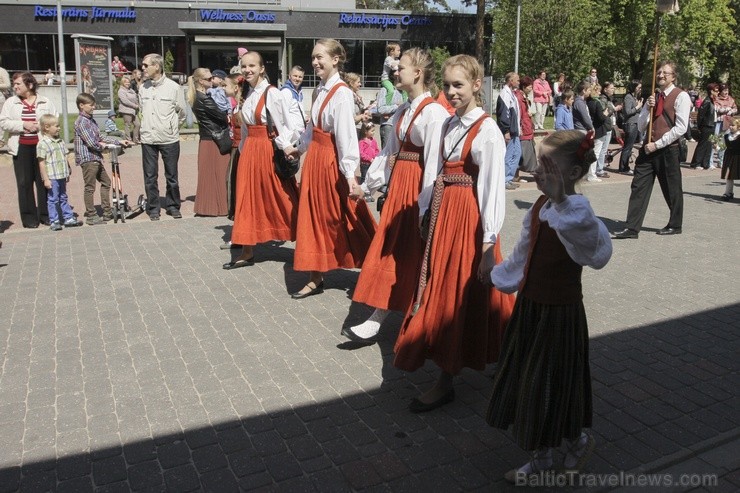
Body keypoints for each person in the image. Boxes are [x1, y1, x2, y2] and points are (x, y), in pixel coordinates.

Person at [485, 130, 613, 483]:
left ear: (571, 175)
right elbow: (523, 252)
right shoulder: (540, 207)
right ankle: (542, 455)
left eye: (547, 165)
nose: (538, 171)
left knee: (555, 384)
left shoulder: (577, 212)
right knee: (530, 383)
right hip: (532, 309)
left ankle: (576, 441)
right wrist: (497, 276)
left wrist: (560, 202)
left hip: (560, 313)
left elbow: (595, 251)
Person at [393, 54, 515, 413]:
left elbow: (492, 189)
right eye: (446, 85)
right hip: (445, 215)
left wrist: (489, 242)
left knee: (462, 293)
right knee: (450, 289)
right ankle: (492, 358)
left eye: (458, 85)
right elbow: (433, 170)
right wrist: (425, 209)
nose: (451, 91)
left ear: (477, 85)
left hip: (469, 222)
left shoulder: (487, 130)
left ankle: (449, 377)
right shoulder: (447, 124)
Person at [342, 46, 449, 343]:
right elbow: (389, 153)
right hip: (400, 188)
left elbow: (434, 166)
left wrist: (426, 208)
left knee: (412, 254)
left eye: (401, 67)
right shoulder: (404, 108)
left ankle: (412, 317)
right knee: (394, 251)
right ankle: (381, 314)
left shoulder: (434, 113)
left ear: (418, 73)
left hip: (417, 191)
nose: (395, 71)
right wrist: (367, 186)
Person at [284, 38, 377, 298]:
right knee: (312, 217)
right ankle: (316, 276)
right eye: (313, 58)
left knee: (342, 216)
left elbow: (347, 137)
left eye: (319, 57)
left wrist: (350, 176)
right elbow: (312, 129)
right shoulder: (320, 90)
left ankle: (374, 264)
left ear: (335, 60)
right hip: (315, 160)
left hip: (330, 162)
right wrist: (298, 148)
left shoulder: (342, 94)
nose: (314, 62)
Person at [225, 50, 301, 269]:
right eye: (244, 66)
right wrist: (242, 150)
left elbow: (286, 124)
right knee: (246, 200)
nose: (247, 70)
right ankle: (247, 251)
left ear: (261, 68)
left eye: (252, 66)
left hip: (267, 152)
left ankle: (303, 238)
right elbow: (247, 129)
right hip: (249, 152)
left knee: (279, 197)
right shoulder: (249, 94)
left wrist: (286, 146)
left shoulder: (272, 93)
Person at [612, 61, 691, 239]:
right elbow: (641, 126)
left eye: (665, 73)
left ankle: (675, 224)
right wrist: (647, 108)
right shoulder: (654, 97)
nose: (661, 75)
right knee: (639, 186)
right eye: (659, 72)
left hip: (668, 150)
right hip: (648, 149)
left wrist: (658, 144)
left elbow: (681, 128)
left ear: (674, 77)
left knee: (672, 189)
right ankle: (632, 228)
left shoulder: (681, 96)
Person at [0, 71, 57, 228]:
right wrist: (22, 125)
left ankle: (46, 214)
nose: (15, 86)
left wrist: (39, 126)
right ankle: (29, 218)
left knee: (43, 181)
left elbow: (54, 119)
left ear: (30, 85)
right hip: (21, 147)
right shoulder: (11, 102)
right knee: (24, 183)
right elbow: (3, 122)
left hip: (41, 148)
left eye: (18, 83)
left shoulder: (45, 102)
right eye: (14, 83)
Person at [139, 53, 187, 221]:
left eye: (146, 65)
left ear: (157, 67)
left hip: (169, 139)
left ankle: (173, 206)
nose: (143, 68)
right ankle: (153, 208)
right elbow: (141, 111)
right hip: (148, 139)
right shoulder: (143, 87)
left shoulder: (173, 87)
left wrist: (171, 127)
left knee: (171, 176)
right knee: (150, 176)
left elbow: (182, 113)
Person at [74, 93, 132, 225]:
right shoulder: (81, 122)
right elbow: (92, 143)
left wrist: (119, 142)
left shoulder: (91, 120)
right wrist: (106, 147)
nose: (94, 107)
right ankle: (91, 215)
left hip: (96, 158)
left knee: (106, 182)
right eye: (91, 105)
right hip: (88, 159)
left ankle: (106, 212)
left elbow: (101, 137)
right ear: (81, 106)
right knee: (90, 187)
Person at [187, 67, 230, 217]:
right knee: (220, 174)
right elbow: (222, 117)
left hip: (207, 139)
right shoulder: (203, 98)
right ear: (200, 81)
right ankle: (219, 207)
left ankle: (209, 207)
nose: (212, 80)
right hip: (214, 140)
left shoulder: (198, 97)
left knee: (210, 175)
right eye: (209, 78)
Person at [37, 114, 81, 231]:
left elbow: (64, 157)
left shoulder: (60, 141)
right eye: (56, 126)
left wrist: (68, 169)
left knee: (63, 197)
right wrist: (45, 179)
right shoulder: (43, 144)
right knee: (53, 199)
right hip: (52, 176)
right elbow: (41, 163)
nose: (59, 128)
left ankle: (68, 218)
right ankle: (54, 220)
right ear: (46, 127)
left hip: (62, 175)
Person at [222, 73, 245, 229]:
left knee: (237, 187)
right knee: (232, 185)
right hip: (235, 148)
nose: (223, 88)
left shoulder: (243, 107)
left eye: (226, 85)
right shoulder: (236, 105)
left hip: (241, 150)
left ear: (235, 88)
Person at [496, 72, 521, 190]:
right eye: (517, 80)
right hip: (509, 130)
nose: (518, 82)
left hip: (515, 130)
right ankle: (504, 179)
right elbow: (504, 113)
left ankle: (509, 178)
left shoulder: (512, 94)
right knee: (509, 155)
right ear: (511, 81)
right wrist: (506, 130)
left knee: (516, 154)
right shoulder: (504, 94)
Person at [690, 83, 719, 170]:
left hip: (712, 125)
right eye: (716, 91)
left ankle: (705, 163)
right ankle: (696, 163)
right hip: (706, 126)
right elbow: (700, 115)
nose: (717, 93)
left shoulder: (712, 101)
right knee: (702, 144)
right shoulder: (707, 101)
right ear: (711, 91)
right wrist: (699, 126)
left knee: (709, 145)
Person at [586, 83, 610, 182]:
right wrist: (605, 114)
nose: (600, 93)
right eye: (598, 91)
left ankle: (587, 173)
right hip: (599, 130)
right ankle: (592, 174)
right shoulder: (597, 103)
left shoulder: (587, 102)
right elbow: (600, 118)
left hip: (590, 129)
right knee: (596, 153)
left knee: (589, 152)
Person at [619, 80, 644, 174]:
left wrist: (640, 105)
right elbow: (627, 112)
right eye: (638, 87)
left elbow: (639, 110)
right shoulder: (628, 97)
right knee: (627, 147)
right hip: (630, 124)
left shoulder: (634, 97)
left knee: (629, 147)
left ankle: (625, 166)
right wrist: (637, 107)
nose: (640, 89)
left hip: (635, 123)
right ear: (633, 87)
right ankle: (623, 167)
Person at [375, 73, 406, 149]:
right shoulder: (384, 90)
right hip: (388, 126)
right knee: (386, 154)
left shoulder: (403, 92)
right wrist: (397, 106)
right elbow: (380, 109)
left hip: (400, 126)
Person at [714, 84, 737, 168]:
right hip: (718, 122)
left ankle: (721, 161)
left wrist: (732, 111)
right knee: (716, 140)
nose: (726, 92)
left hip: (727, 122)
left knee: (724, 141)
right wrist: (726, 109)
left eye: (727, 90)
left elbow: (735, 108)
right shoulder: (716, 99)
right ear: (720, 91)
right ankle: (711, 161)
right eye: (724, 90)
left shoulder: (731, 99)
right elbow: (718, 109)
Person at [517, 76, 537, 173]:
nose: (531, 89)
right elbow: (519, 114)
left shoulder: (524, 97)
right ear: (524, 86)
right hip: (524, 129)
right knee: (522, 153)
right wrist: (520, 126)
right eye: (529, 87)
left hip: (527, 127)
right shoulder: (519, 98)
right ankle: (515, 175)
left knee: (527, 152)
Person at [280, 65, 308, 131]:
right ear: (289, 76)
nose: (297, 79)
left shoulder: (299, 92)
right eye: (295, 76)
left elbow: (297, 110)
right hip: (291, 134)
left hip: (300, 132)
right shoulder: (286, 92)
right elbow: (282, 115)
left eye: (300, 77)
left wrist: (305, 117)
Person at [358, 123, 379, 202]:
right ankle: (362, 194)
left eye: (374, 131)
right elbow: (361, 153)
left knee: (370, 179)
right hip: (364, 164)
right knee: (364, 178)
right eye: (372, 131)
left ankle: (369, 194)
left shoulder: (373, 141)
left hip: (372, 163)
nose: (373, 132)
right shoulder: (362, 142)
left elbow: (377, 150)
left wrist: (377, 157)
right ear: (365, 132)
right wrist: (369, 159)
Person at [720, 116, 740, 201]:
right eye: (730, 125)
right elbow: (722, 146)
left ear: (738, 127)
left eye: (733, 125)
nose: (731, 127)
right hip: (729, 157)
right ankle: (728, 192)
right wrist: (716, 146)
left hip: (738, 157)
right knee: (729, 176)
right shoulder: (726, 136)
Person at [117, 75, 140, 144]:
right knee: (128, 125)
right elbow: (125, 101)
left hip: (133, 110)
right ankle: (128, 140)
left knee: (138, 124)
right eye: (126, 82)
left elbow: (135, 98)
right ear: (122, 83)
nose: (128, 83)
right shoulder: (121, 91)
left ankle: (135, 139)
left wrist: (138, 104)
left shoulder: (131, 90)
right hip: (126, 110)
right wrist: (135, 106)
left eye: (129, 82)